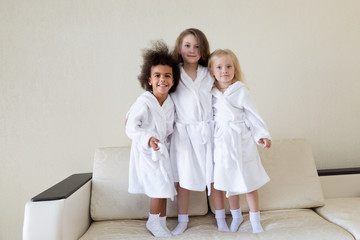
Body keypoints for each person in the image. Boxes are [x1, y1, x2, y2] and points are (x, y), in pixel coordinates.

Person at [208, 49, 271, 233]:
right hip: (222, 142)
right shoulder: (211, 93)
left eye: (229, 66)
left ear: (235, 69)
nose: (224, 70)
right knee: (230, 184)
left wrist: (262, 136)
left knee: (249, 182)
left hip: (241, 139)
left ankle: (255, 220)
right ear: (212, 71)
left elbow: (253, 116)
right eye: (219, 67)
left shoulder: (241, 91)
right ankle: (236, 216)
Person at [125, 40, 180, 237]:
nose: (162, 80)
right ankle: (153, 221)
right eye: (157, 76)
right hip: (147, 152)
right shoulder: (145, 101)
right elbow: (131, 127)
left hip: (162, 150)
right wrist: (147, 138)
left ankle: (161, 223)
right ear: (149, 80)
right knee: (158, 187)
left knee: (164, 186)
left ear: (173, 81)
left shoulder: (170, 103)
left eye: (167, 76)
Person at [170, 28, 214, 235]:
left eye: (197, 46)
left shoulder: (209, 73)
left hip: (208, 131)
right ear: (180, 47)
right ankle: (183, 220)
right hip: (183, 134)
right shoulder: (173, 72)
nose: (192, 50)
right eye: (187, 45)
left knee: (215, 175)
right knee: (183, 180)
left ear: (203, 50)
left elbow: (222, 96)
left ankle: (221, 216)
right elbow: (156, 94)